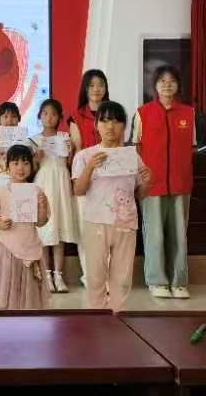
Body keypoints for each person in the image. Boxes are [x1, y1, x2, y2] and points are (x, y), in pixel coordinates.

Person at [72, 101, 151, 311]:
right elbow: (78, 190)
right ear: (96, 125)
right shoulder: (85, 156)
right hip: (96, 221)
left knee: (122, 276)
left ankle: (118, 313)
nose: (110, 126)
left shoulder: (131, 156)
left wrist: (147, 182)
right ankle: (97, 313)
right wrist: (90, 167)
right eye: (105, 121)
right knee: (95, 275)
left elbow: (140, 194)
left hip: (126, 223)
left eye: (116, 121)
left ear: (123, 125)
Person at [132, 65, 194, 300]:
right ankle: (157, 281)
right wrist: (141, 180)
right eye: (162, 81)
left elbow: (192, 148)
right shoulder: (143, 113)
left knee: (179, 235)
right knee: (155, 234)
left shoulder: (189, 113)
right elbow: (136, 148)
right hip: (152, 185)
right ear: (155, 85)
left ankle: (179, 282)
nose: (167, 85)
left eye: (171, 81)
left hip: (180, 183)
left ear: (178, 85)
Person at [0, 144, 50, 310]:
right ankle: (9, 315)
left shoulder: (36, 190)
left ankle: (27, 314)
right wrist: (0, 224)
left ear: (32, 166)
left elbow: (41, 222)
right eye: (15, 163)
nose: (21, 168)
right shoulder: (1, 191)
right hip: (8, 247)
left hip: (29, 243)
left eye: (26, 163)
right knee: (8, 283)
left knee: (29, 286)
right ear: (7, 166)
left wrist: (42, 207)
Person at [31, 98, 78, 293]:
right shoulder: (33, 139)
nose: (49, 117)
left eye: (53, 114)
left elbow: (69, 164)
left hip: (61, 182)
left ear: (59, 117)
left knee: (59, 228)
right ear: (39, 116)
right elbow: (31, 170)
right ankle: (47, 275)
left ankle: (59, 275)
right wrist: (36, 159)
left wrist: (70, 152)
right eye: (45, 113)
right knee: (44, 230)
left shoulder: (64, 137)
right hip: (43, 183)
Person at [68, 69, 110, 286]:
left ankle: (107, 275)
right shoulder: (76, 117)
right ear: (85, 89)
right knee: (87, 230)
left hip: (109, 178)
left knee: (108, 229)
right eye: (92, 85)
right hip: (84, 178)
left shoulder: (112, 113)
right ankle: (89, 275)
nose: (96, 89)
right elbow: (76, 150)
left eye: (100, 84)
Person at [0, 101, 22, 201]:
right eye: (5, 116)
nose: (9, 120)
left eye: (13, 116)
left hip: (19, 186)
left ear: (19, 119)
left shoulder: (24, 142)